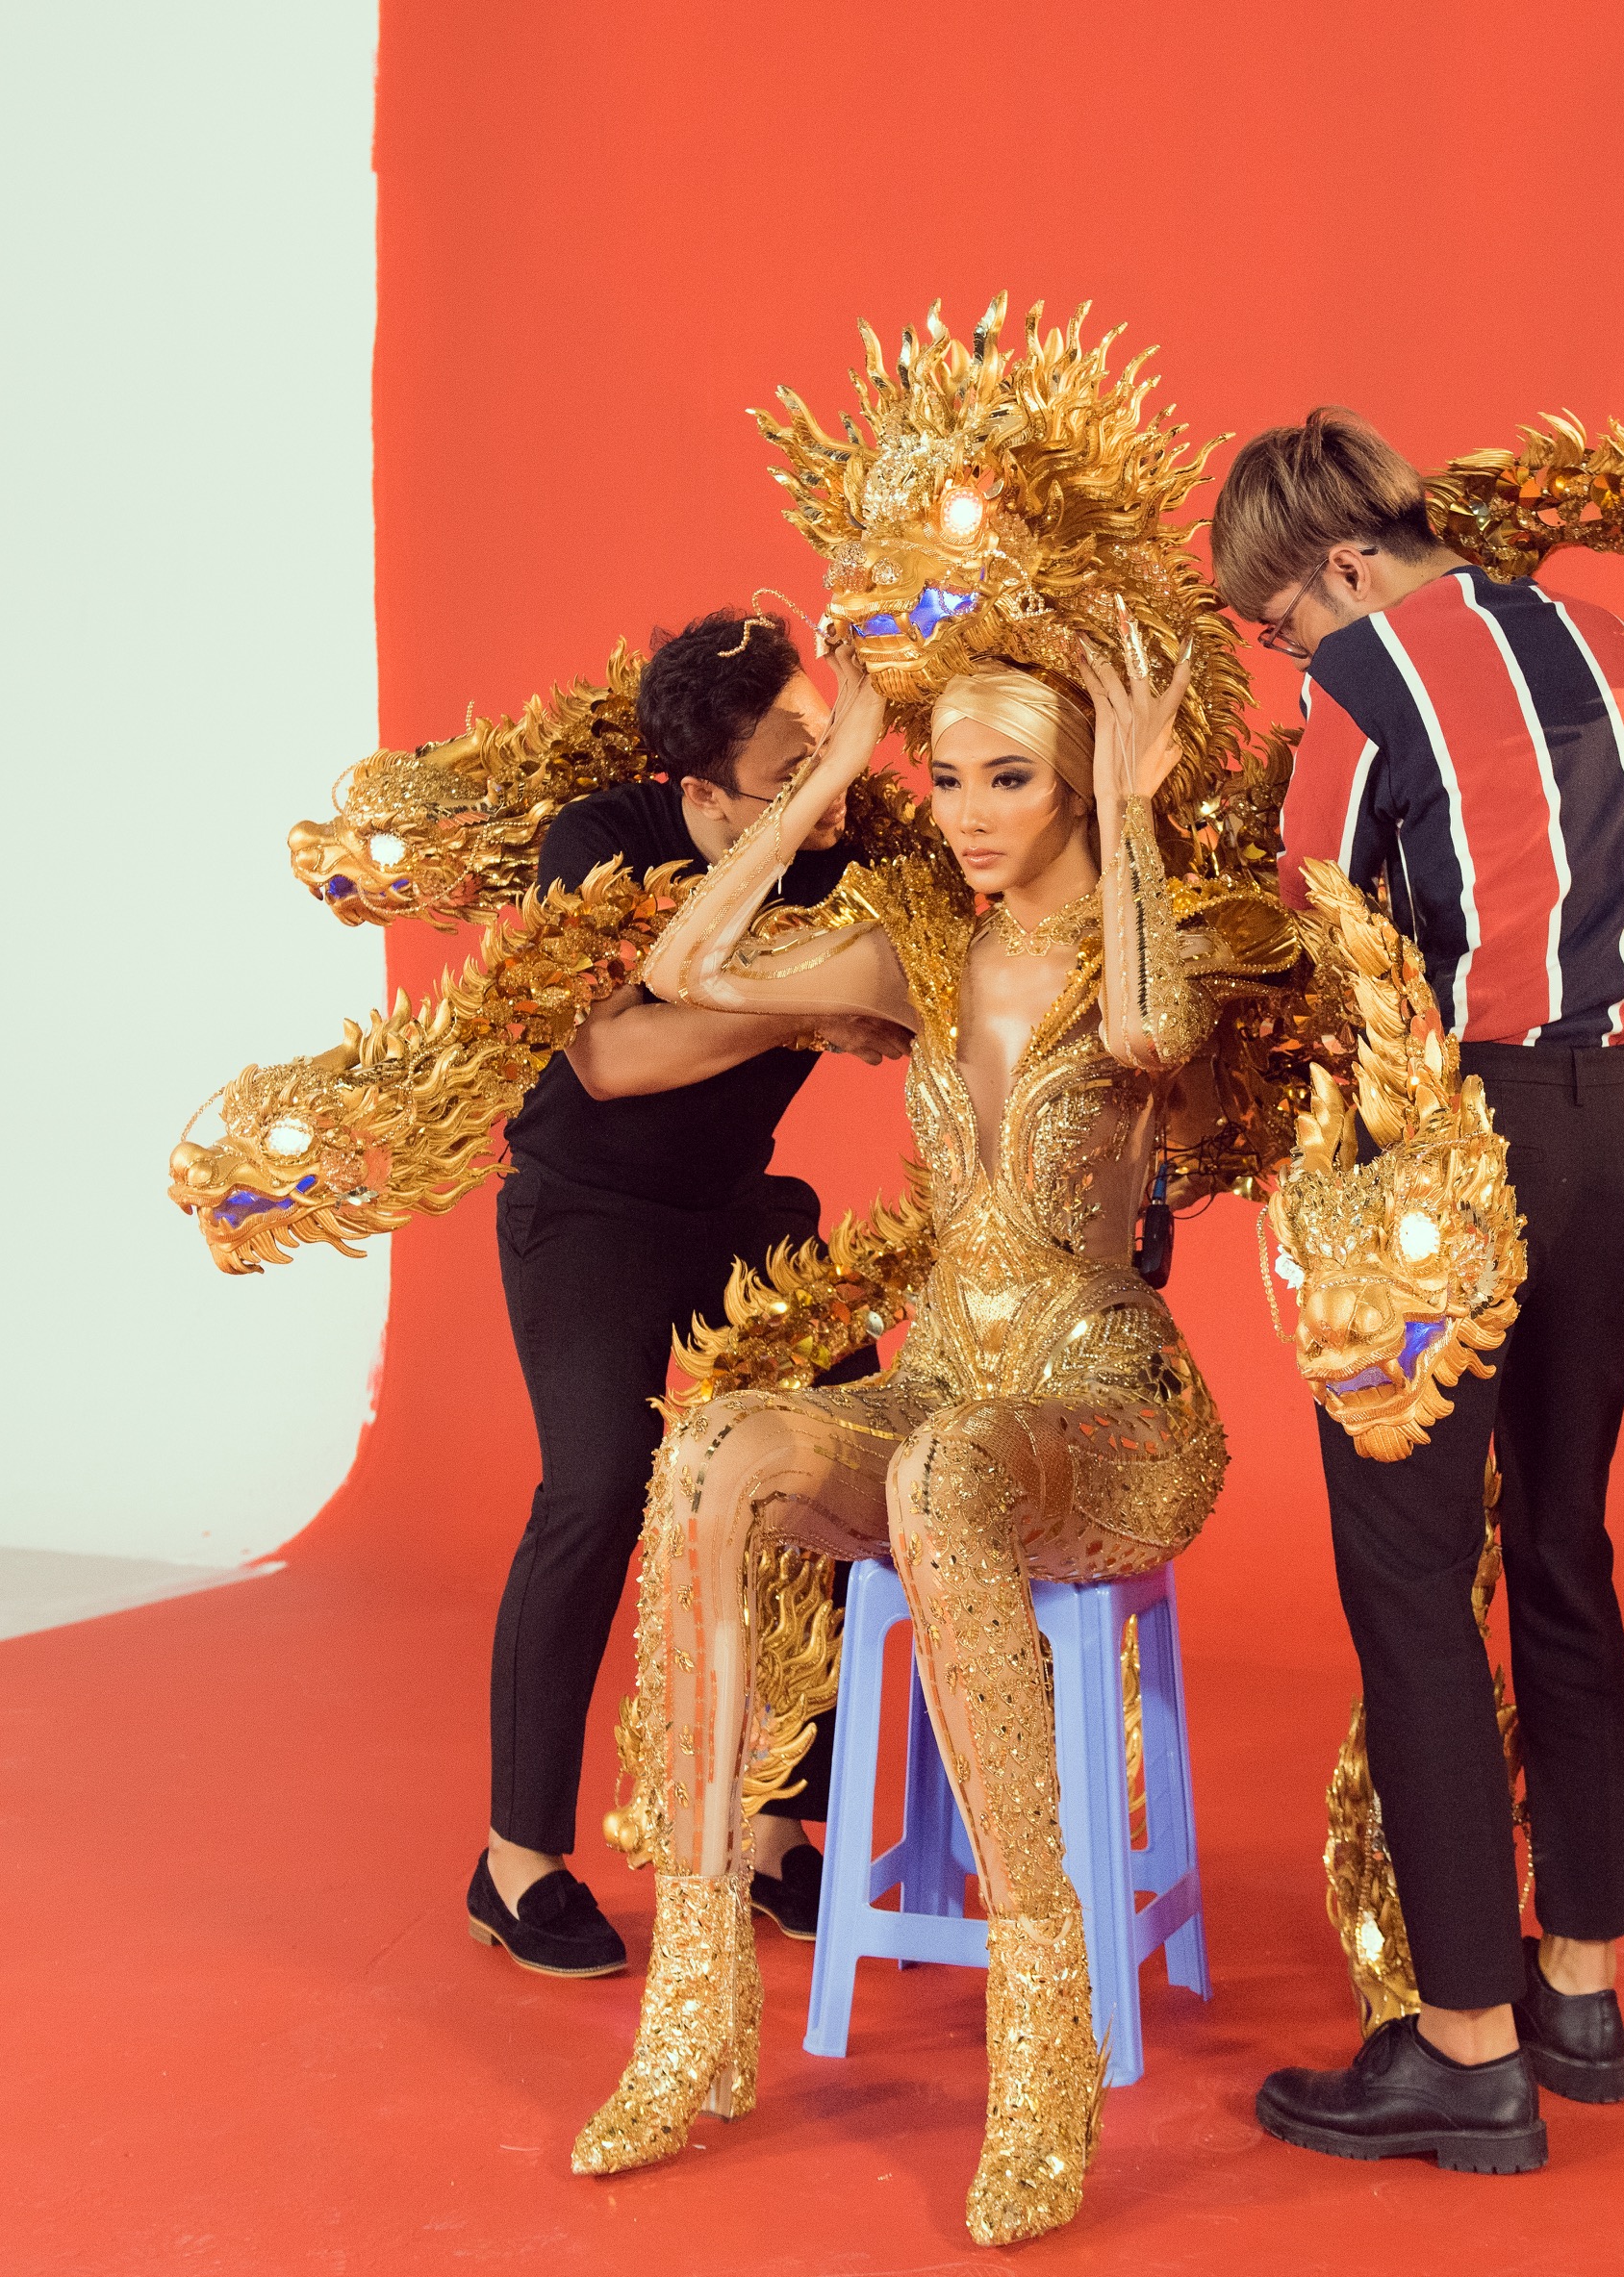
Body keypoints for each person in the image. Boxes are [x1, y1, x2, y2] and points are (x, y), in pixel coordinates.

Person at [571, 636, 1285, 2246]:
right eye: (945, 778)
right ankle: (692, 2013)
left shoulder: (1171, 934)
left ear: (1080, 780)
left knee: (942, 1474)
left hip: (1109, 1410)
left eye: (1006, 779)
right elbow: (686, 968)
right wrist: (829, 771)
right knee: (713, 1452)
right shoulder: (919, 945)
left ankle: (1042, 2050)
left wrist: (1136, 813)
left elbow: (1154, 1042)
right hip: (947, 1379)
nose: (963, 814)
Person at [1212, 409, 1624, 2174]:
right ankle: (1580, 1994)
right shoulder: (1616, 642)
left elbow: (1305, 930)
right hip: (1618, 1120)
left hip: (1455, 1136)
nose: (1291, 660)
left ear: (1344, 566)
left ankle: (1465, 2051)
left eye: (1282, 622)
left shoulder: (1368, 677)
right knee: (1562, 1545)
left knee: (1413, 1576)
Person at [466, 607, 901, 1979]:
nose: (827, 786)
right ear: (705, 798)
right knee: (598, 1485)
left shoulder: (853, 850)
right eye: (791, 772)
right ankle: (517, 1861)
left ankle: (776, 1831)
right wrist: (803, 1007)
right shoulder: (601, 843)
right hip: (584, 1209)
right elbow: (612, 1061)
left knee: (852, 1458)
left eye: (831, 746)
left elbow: (903, 1000)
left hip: (734, 1211)